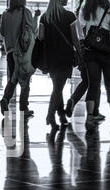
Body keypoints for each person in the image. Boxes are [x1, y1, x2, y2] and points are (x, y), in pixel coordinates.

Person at [80, 0, 110, 131]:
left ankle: (90, 117)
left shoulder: (85, 9)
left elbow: (82, 30)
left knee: (93, 84)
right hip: (107, 54)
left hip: (90, 52)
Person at [40, 0, 78, 130]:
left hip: (50, 57)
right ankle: (50, 115)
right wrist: (79, 52)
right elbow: (74, 37)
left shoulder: (45, 16)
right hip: (65, 56)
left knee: (57, 86)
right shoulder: (70, 16)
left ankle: (61, 115)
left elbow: (40, 37)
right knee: (58, 88)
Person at [0, 0, 40, 118]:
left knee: (13, 77)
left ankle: (6, 99)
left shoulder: (5, 14)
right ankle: (23, 108)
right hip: (22, 51)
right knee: (25, 78)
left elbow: (2, 32)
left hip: (10, 51)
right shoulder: (25, 12)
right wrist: (36, 17)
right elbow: (32, 29)